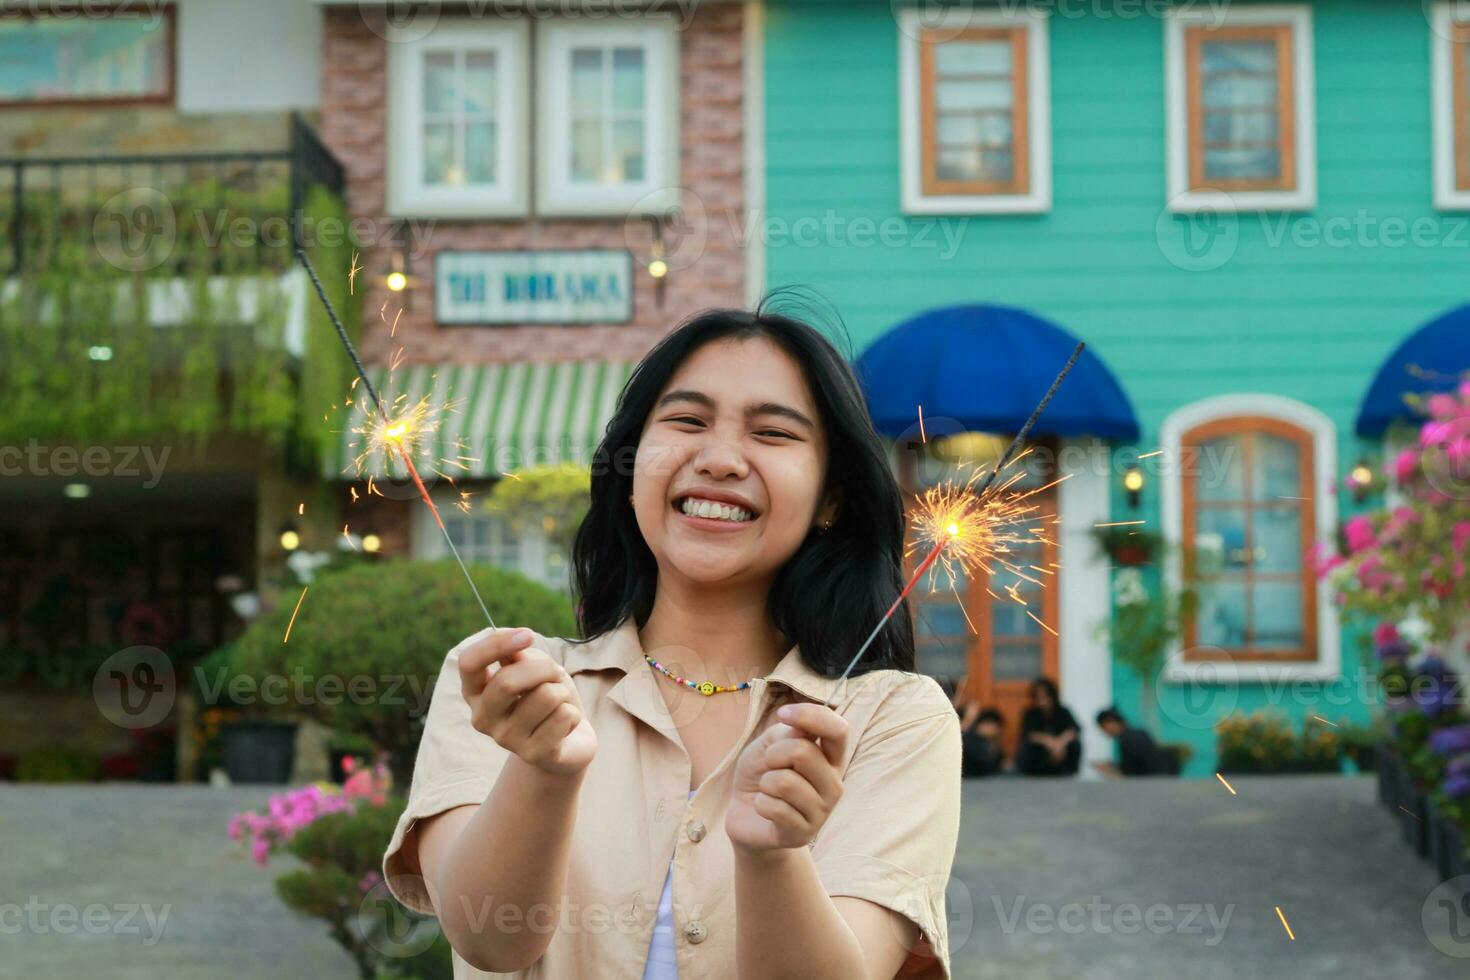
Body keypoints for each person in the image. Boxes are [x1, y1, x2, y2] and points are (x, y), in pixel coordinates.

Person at [381, 302, 963, 979]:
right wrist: (543, 772)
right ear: (630, 467)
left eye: (773, 433)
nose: (719, 460)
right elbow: (490, 940)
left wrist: (773, 855)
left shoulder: (893, 719)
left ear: (831, 497)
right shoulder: (505, 687)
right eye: (686, 421)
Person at [1016, 677, 1081, 776]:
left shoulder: (1063, 712)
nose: (1042, 700)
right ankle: (1030, 773)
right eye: (1038, 696)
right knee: (1027, 746)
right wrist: (1050, 742)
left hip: (1061, 749)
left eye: (1045, 695)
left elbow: (1074, 729)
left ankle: (1070, 772)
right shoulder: (1030, 713)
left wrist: (1060, 743)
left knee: (1075, 744)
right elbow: (1029, 734)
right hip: (1041, 752)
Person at [1093, 707, 1181, 777]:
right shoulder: (1137, 733)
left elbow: (1130, 772)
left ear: (1111, 722)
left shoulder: (1128, 739)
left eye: (1103, 727)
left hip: (1155, 781)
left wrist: (1110, 769)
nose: (1103, 731)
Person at [945, 677, 1006, 778]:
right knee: (967, 739)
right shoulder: (940, 712)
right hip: (950, 756)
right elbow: (950, 734)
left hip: (971, 755)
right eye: (959, 696)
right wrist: (969, 720)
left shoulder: (964, 709)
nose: (963, 699)